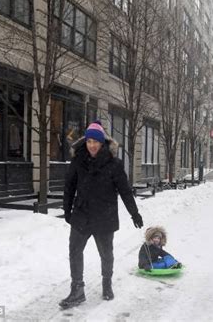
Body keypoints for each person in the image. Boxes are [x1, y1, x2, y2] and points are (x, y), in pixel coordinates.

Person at [60, 121, 144, 309]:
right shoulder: (78, 161)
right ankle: (77, 289)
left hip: (104, 216)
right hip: (81, 215)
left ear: (102, 143)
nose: (92, 145)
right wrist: (67, 210)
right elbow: (69, 187)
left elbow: (125, 191)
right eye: (89, 141)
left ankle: (107, 283)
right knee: (74, 251)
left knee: (106, 254)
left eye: (95, 142)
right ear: (85, 142)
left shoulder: (113, 164)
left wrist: (134, 213)